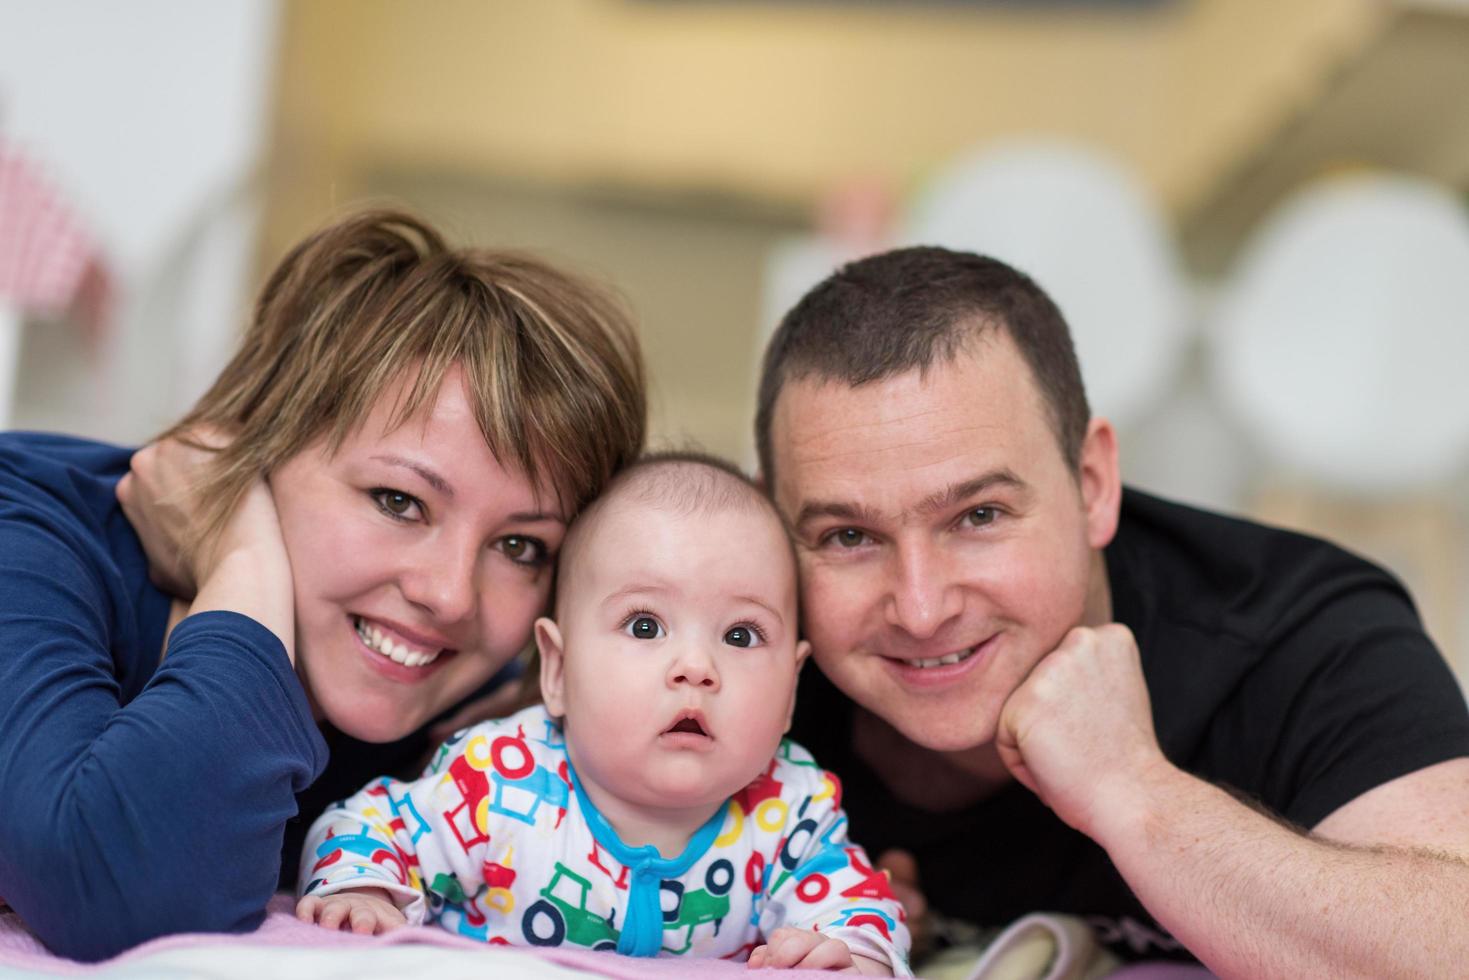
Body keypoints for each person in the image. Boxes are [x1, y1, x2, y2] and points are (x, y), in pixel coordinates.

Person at [755, 246, 1469, 977]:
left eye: (978, 515)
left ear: (1093, 483)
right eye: (847, 536)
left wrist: (1131, 790)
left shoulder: (1298, 633)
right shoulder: (736, 665)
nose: (919, 607)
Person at [0, 209, 646, 962]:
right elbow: (113, 890)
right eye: (398, 501)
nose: (451, 596)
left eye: (519, 546)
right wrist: (241, 555)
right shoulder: (29, 533)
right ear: (252, 440)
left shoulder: (485, 721)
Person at [295, 455, 911, 976]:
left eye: (743, 636)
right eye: (645, 626)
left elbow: (856, 902)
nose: (696, 666)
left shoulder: (791, 811)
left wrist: (854, 956)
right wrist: (364, 889)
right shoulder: (497, 783)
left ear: (790, 694)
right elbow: (372, 824)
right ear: (557, 671)